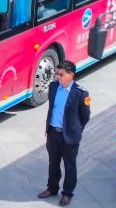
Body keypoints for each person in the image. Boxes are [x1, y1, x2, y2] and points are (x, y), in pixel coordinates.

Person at [39, 60, 91, 206]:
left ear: (71, 75)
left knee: (69, 166)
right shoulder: (53, 87)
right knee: (53, 163)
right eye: (57, 74)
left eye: (61, 74)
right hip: (53, 133)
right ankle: (52, 188)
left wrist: (76, 131)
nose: (58, 77)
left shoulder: (81, 93)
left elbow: (85, 116)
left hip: (69, 137)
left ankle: (67, 194)